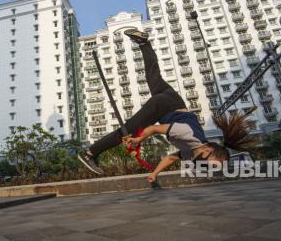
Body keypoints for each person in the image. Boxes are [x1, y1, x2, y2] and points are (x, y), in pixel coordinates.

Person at [78, 29, 229, 182]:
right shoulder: (188, 134)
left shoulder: (192, 151)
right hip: (165, 107)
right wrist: (138, 140)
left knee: (153, 74)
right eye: (209, 164)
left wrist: (155, 173)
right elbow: (154, 129)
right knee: (126, 132)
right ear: (208, 149)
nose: (205, 167)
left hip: (173, 100)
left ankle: (144, 43)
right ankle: (89, 153)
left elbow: (171, 158)